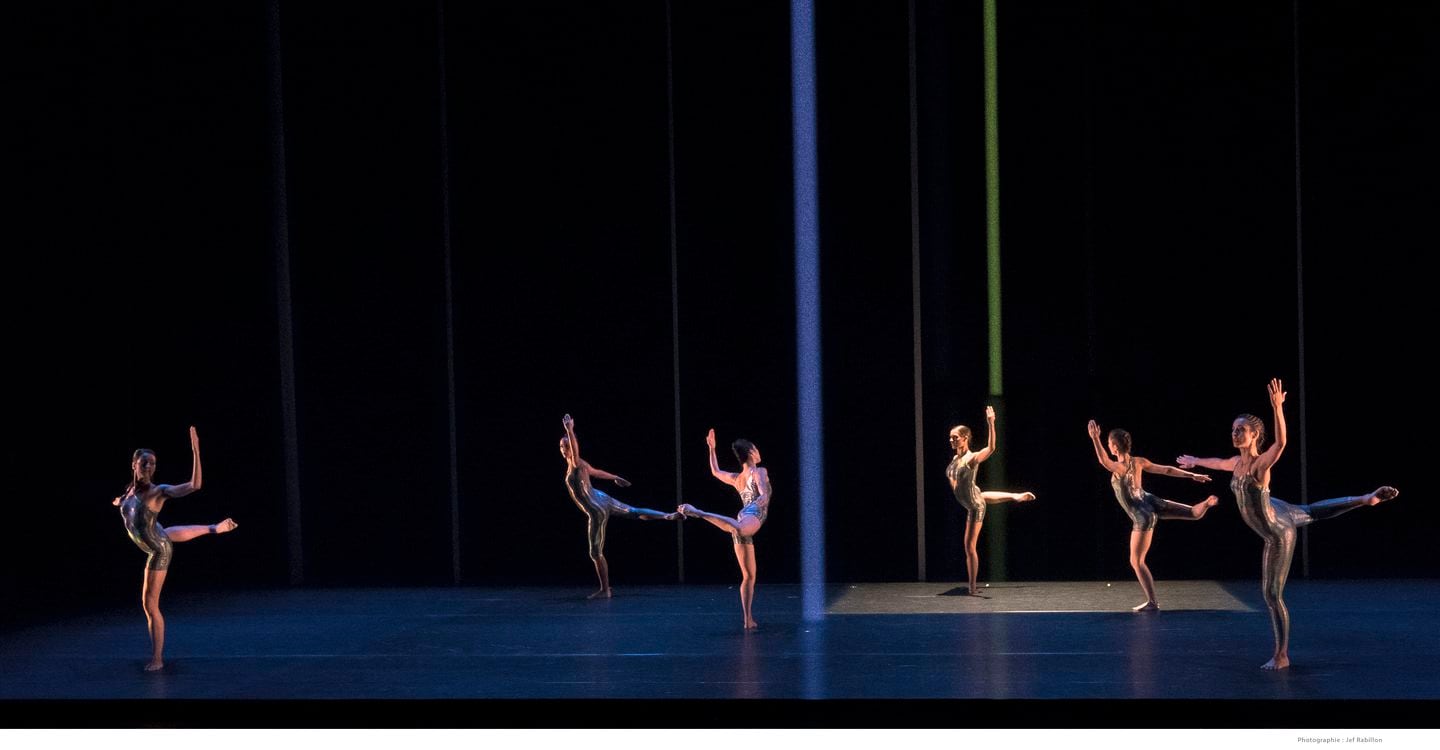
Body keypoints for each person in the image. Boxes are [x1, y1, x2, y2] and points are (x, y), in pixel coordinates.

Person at [1177, 378, 1399, 669]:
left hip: (1276, 531)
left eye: (1240, 429)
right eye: (1233, 429)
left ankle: (1281, 655)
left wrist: (1277, 408)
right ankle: (1366, 499)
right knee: (1311, 511)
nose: (1235, 433)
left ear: (1255, 435)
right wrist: (1195, 460)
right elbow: (1217, 462)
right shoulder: (1236, 463)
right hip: (1275, 507)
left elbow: (1281, 443)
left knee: (1271, 594)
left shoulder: (1259, 465)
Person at [112, 426, 237, 671]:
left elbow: (194, 485)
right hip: (156, 535)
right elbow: (128, 504)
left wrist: (196, 451)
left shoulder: (158, 492)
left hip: (157, 550)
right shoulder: (129, 491)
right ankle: (213, 528)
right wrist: (119, 501)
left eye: (153, 464)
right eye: (145, 463)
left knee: (150, 604)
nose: (149, 467)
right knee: (164, 533)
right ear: (134, 465)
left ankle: (157, 659)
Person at [1086, 420, 1217, 611]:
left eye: (1108, 443)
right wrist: (1192, 475)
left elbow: (1103, 461)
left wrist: (1095, 439)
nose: (1108, 446)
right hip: (1150, 500)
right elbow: (1167, 469)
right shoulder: (1139, 461)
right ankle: (1206, 503)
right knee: (1192, 513)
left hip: (1143, 515)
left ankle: (1153, 602)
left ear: (1114, 447)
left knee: (1136, 561)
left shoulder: (1120, 468)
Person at [560, 414, 679, 599]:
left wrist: (569, 430)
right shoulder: (580, 464)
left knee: (595, 553)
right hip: (602, 498)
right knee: (633, 511)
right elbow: (596, 472)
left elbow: (576, 452)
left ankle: (605, 590)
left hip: (596, 510)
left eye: (566, 446)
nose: (564, 449)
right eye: (561, 446)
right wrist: (615, 477)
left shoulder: (576, 462)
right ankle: (666, 515)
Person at [678, 428, 771, 630]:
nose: (758, 452)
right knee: (740, 529)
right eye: (756, 449)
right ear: (751, 452)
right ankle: (699, 512)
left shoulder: (737, 478)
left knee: (749, 576)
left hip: (743, 515)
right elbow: (762, 489)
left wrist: (712, 449)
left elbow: (716, 471)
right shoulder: (759, 471)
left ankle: (748, 620)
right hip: (752, 514)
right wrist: (763, 497)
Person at [946, 406, 1036, 596]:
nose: (952, 440)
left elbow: (991, 448)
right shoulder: (955, 458)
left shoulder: (971, 459)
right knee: (979, 494)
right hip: (972, 495)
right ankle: (1015, 496)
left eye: (955, 437)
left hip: (974, 506)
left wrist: (991, 423)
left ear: (965, 438)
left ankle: (972, 587)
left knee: (969, 547)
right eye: (950, 438)